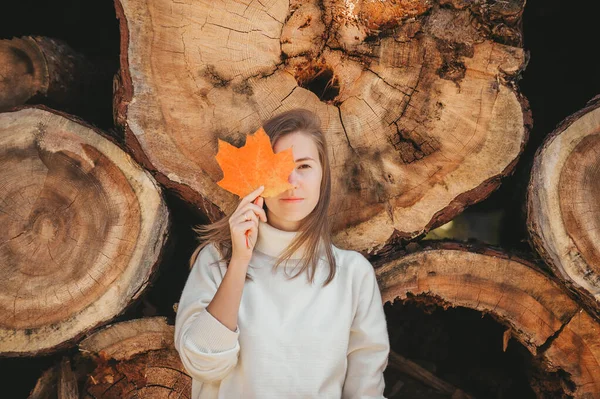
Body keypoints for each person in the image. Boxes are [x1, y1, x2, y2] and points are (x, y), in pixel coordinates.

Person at [174, 109, 390, 398]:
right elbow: (203, 365)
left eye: (303, 166)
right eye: (277, 167)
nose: (290, 180)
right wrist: (239, 260)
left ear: (323, 176)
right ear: (255, 176)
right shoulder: (217, 261)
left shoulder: (353, 274)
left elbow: (365, 388)